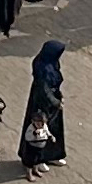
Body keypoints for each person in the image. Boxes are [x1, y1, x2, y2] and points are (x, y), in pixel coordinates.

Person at [22, 40, 68, 173]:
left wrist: (59, 96)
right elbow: (44, 90)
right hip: (41, 104)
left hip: (53, 101)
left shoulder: (51, 63)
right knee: (39, 132)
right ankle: (38, 159)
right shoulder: (42, 67)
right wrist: (56, 102)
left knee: (54, 130)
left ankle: (53, 155)